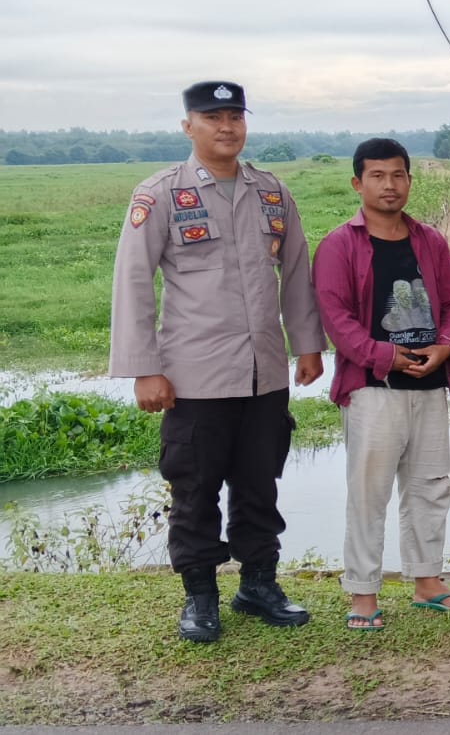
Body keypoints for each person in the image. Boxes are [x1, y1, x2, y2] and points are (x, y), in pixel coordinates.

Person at [109, 81, 324, 643]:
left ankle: (258, 585)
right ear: (189, 126)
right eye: (212, 117)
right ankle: (200, 596)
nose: (226, 127)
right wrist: (144, 369)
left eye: (234, 116)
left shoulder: (272, 193)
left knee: (259, 484)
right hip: (193, 375)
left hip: (264, 373)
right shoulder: (160, 194)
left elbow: (297, 272)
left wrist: (307, 344)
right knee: (195, 488)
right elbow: (133, 282)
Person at [312, 138, 450, 631]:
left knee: (430, 487)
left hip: (428, 385)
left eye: (398, 175)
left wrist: (446, 346)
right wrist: (385, 355)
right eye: (378, 176)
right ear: (357, 183)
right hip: (372, 387)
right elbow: (336, 318)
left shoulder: (429, 240)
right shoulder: (340, 244)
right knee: (369, 491)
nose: (390, 185)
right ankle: (362, 592)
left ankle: (427, 582)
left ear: (409, 179)